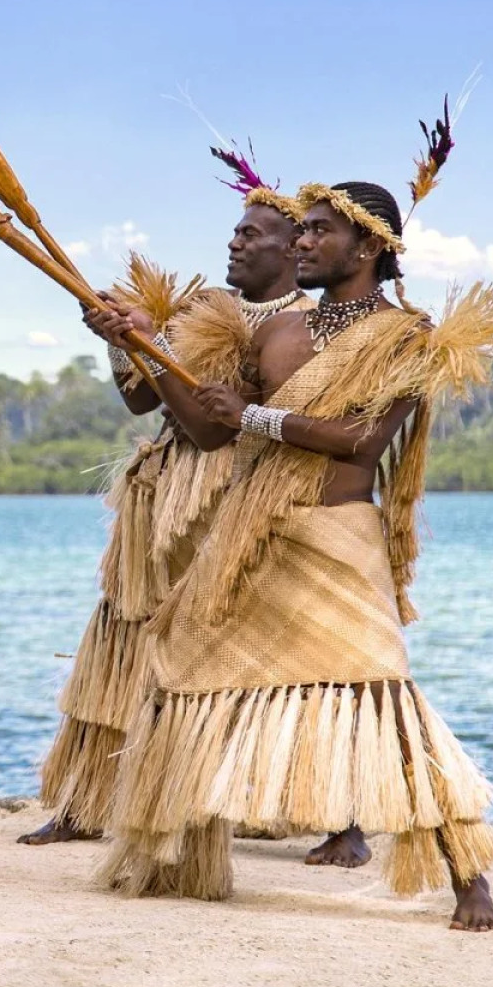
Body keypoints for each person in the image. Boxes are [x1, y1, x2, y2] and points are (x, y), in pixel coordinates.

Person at [94, 178, 493, 931]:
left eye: (320, 231)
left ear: (369, 246)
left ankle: (467, 876)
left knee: (384, 696)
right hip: (248, 539)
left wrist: (259, 415)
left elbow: (363, 438)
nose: (301, 242)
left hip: (336, 539)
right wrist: (143, 347)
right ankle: (175, 857)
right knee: (179, 662)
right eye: (301, 232)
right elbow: (208, 431)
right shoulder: (273, 336)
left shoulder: (408, 338)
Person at [23, 152, 314, 846]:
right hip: (160, 495)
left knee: (258, 653)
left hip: (228, 496)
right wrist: (121, 344)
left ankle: (323, 814)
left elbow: (211, 429)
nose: (234, 242)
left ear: (295, 249)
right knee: (121, 637)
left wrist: (151, 344)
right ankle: (88, 802)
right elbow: (141, 402)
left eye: (252, 234)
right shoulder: (205, 311)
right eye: (235, 232)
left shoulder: (301, 328)